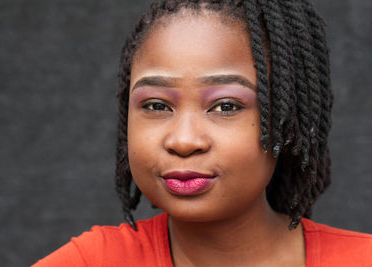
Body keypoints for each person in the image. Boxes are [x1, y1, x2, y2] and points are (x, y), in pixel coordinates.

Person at [32, 0, 372, 266]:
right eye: (156, 105)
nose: (183, 141)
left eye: (225, 106)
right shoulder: (93, 261)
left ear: (287, 122)